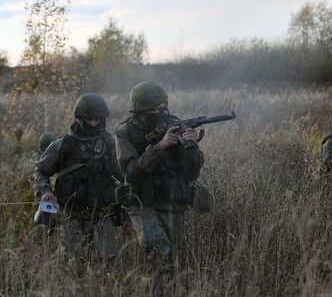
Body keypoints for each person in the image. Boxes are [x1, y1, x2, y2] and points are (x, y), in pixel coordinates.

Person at [115, 81, 212, 258]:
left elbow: (191, 171)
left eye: (162, 108)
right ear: (139, 111)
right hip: (143, 203)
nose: (159, 113)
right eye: (153, 110)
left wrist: (191, 146)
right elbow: (130, 172)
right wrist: (159, 147)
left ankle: (166, 286)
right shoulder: (126, 132)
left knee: (175, 257)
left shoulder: (173, 124)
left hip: (173, 201)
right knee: (159, 252)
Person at [33, 94, 124, 260]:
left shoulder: (109, 143)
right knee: (73, 262)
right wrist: (45, 191)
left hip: (102, 214)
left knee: (108, 262)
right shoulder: (64, 145)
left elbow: (120, 174)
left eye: (97, 119)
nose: (94, 123)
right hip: (70, 214)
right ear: (80, 118)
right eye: (89, 120)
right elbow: (40, 171)